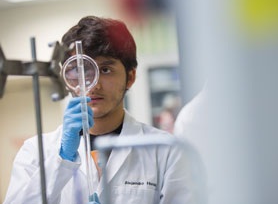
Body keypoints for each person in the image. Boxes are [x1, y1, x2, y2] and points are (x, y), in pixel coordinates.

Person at [4, 16, 193, 204]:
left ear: (130, 77)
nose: (92, 85)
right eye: (80, 70)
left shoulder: (166, 150)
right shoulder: (36, 151)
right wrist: (61, 160)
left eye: (104, 70)